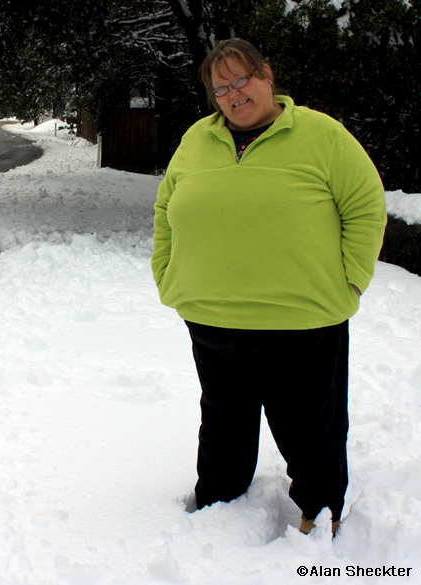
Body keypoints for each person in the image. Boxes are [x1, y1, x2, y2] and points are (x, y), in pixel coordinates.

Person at [151, 38, 387, 535]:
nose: (234, 94)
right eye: (221, 88)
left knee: (309, 426)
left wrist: (350, 280)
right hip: (211, 316)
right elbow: (165, 210)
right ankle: (218, 499)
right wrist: (168, 274)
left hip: (301, 321)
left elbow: (365, 204)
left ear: (266, 75)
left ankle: (320, 512)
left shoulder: (321, 135)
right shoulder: (197, 139)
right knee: (223, 421)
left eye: (242, 79)